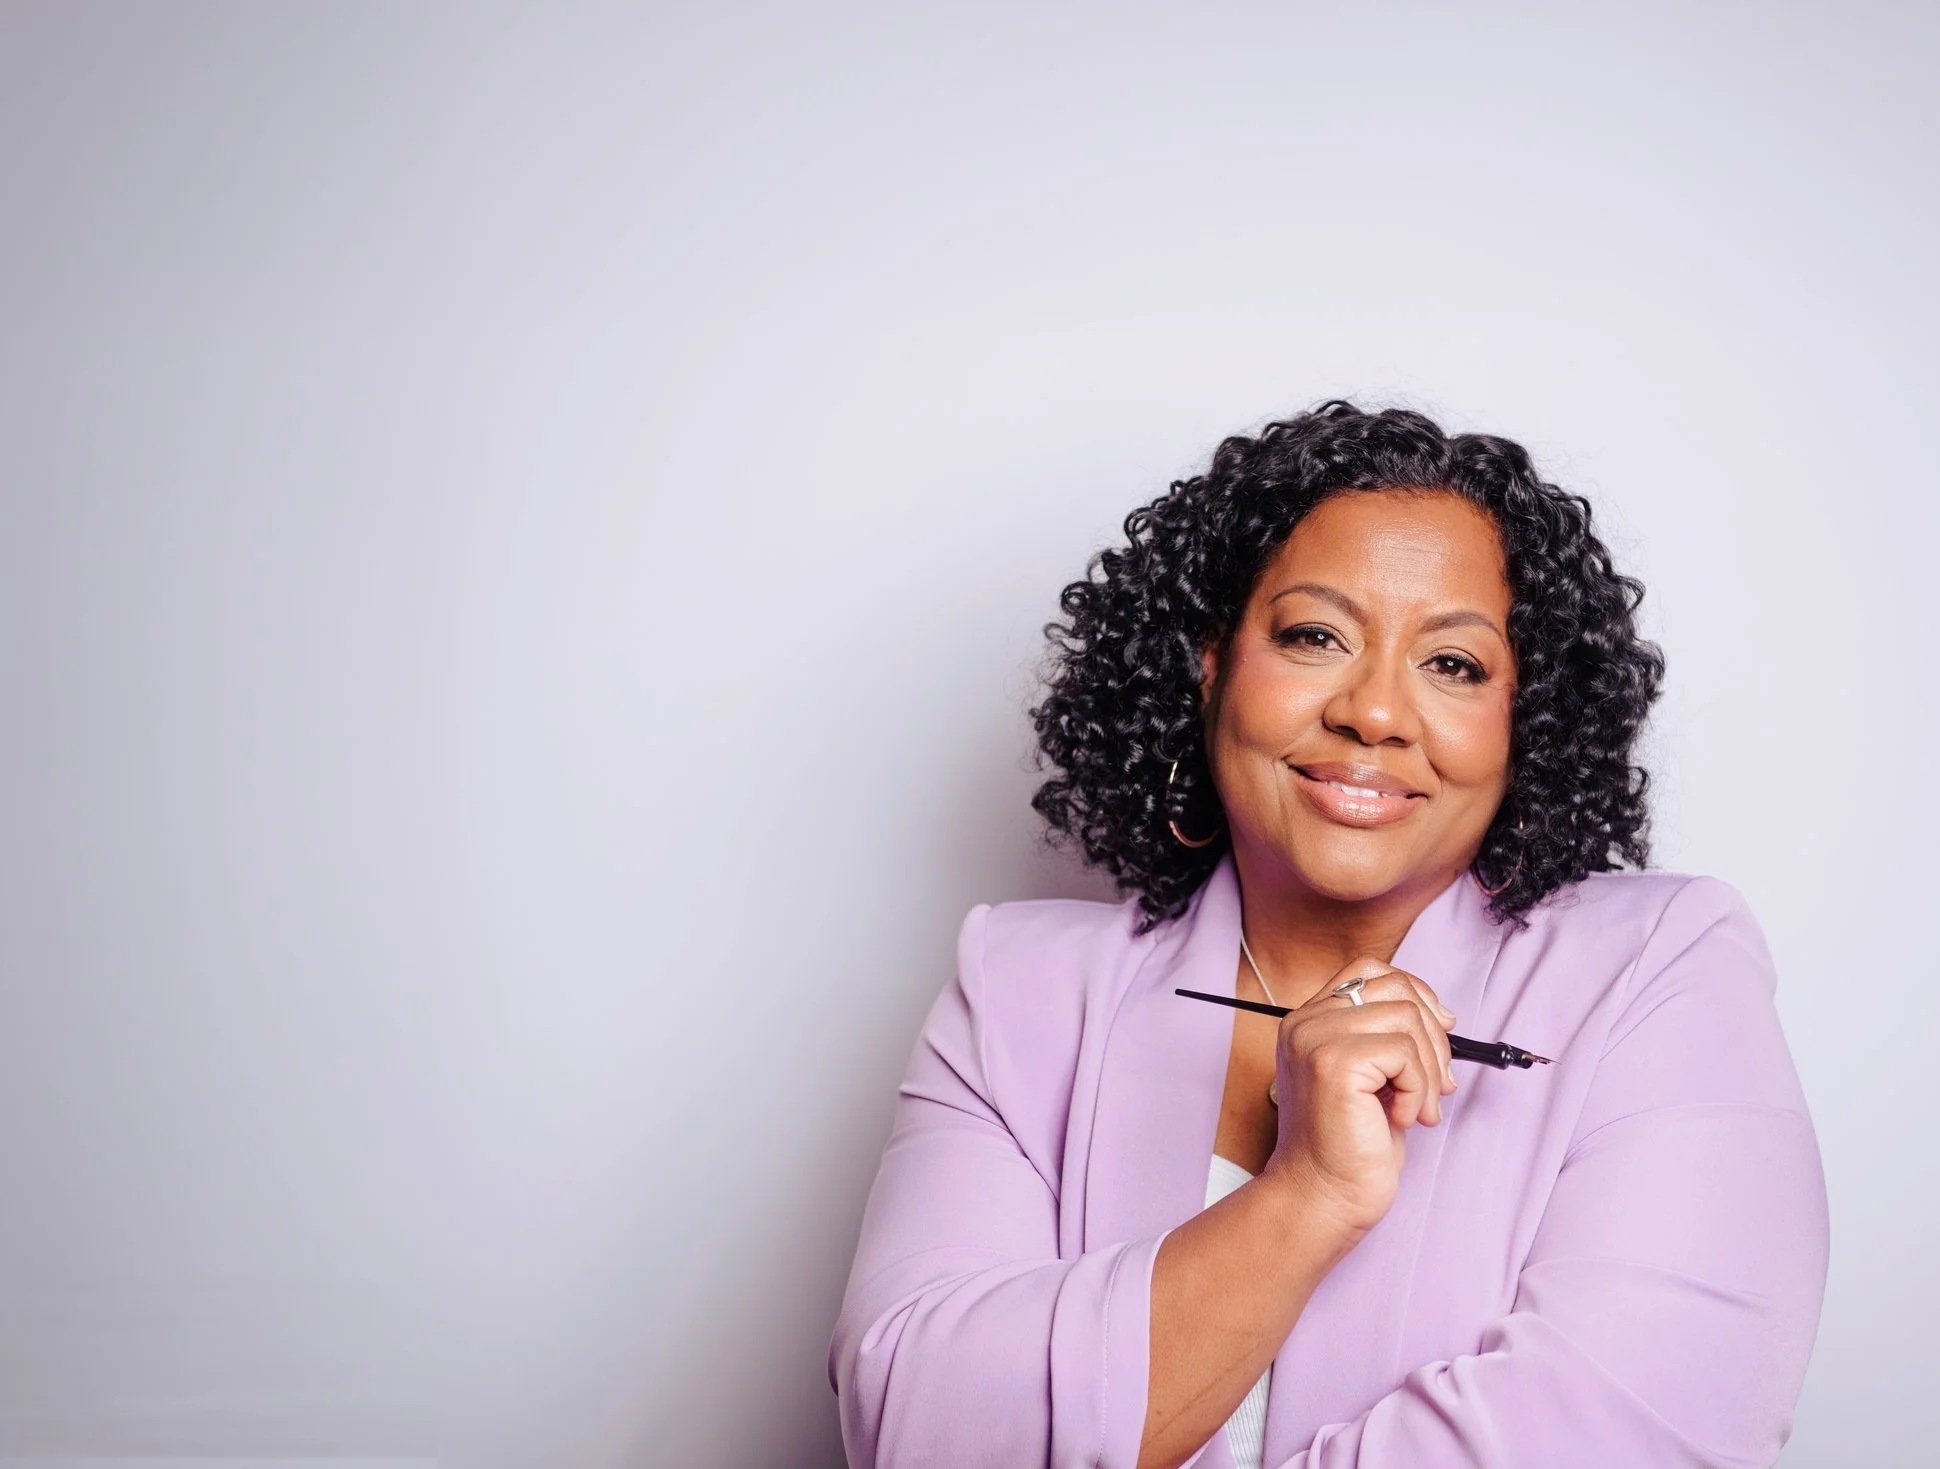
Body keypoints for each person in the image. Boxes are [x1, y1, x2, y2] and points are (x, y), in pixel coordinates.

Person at [825, 401, 1829, 1469]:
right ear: (1211, 661)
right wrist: (1308, 1194)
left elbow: (1634, 1426)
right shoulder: (1019, 983)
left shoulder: (1659, 967)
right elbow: (915, 1427)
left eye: (1454, 663)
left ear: (1524, 716)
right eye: (1315, 636)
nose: (1374, 712)